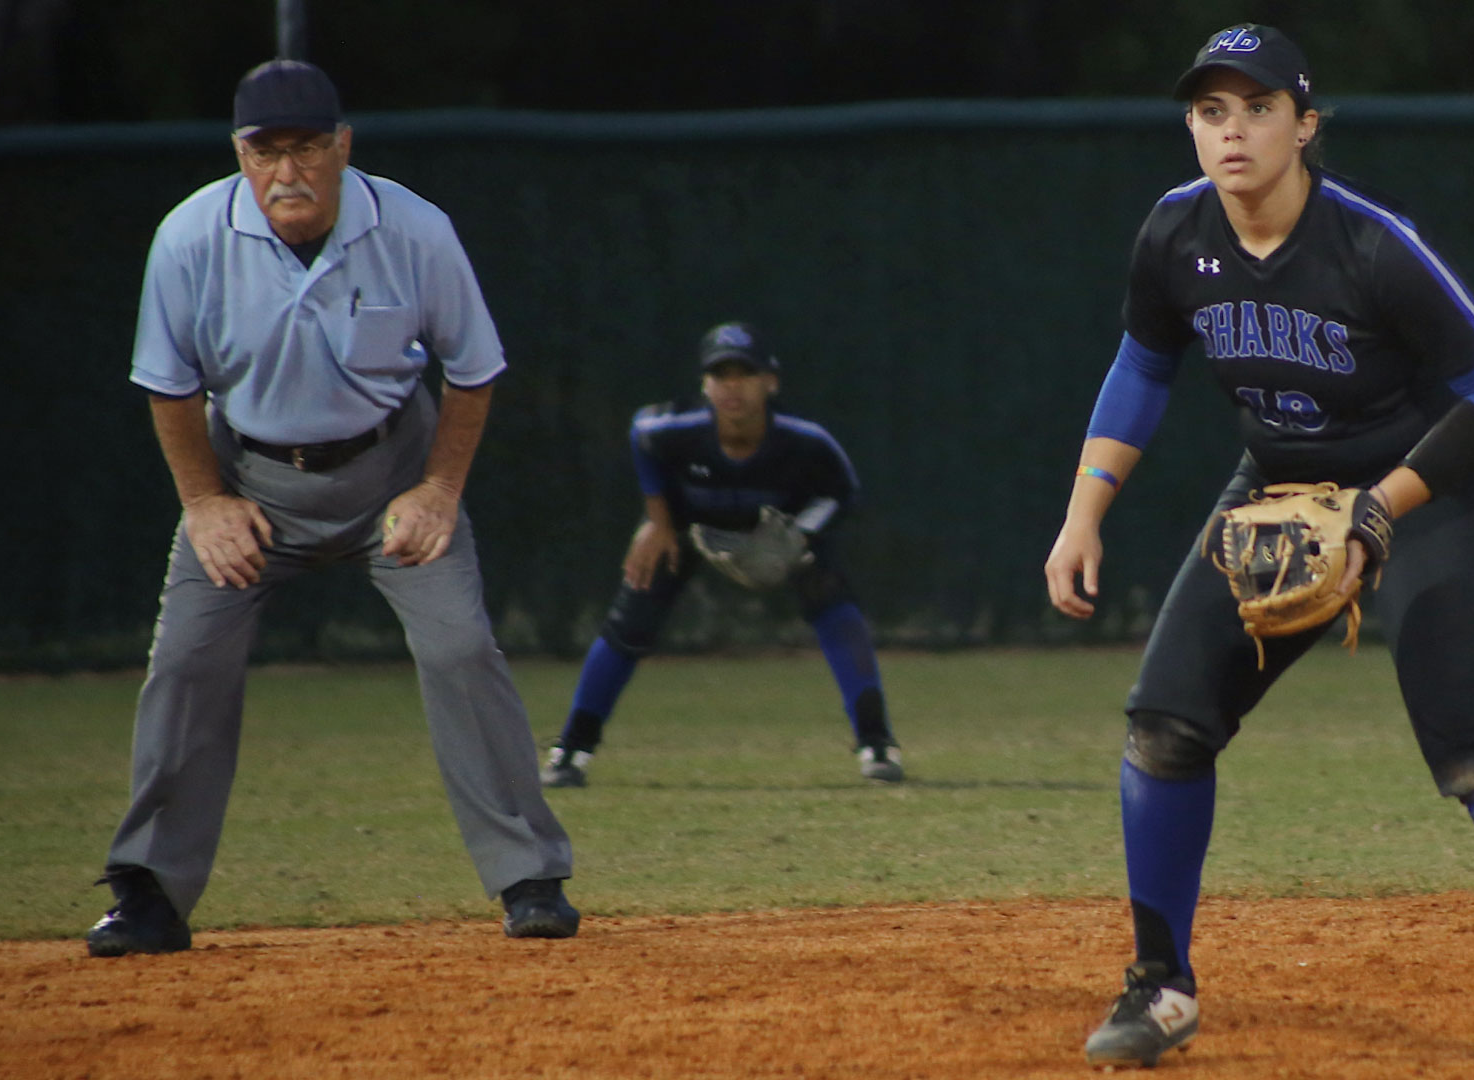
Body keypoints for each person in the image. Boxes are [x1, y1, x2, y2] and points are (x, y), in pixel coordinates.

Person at [1043, 24, 1474, 1069]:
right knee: (1164, 727)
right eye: (1210, 111)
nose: (1232, 131)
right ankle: (1159, 987)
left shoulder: (1373, 244)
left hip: (1424, 492)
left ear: (1305, 124)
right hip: (1276, 488)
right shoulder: (1173, 233)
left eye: (1257, 109)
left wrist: (1381, 509)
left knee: (1473, 745)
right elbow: (1143, 366)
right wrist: (1083, 514)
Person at [86, 59, 578, 956]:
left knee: (461, 646)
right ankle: (148, 891)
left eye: (308, 146)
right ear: (239, 154)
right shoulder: (191, 238)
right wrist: (203, 502)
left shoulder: (414, 229)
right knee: (188, 663)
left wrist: (437, 489)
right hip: (247, 480)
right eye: (267, 149)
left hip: (392, 471)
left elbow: (472, 371)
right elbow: (168, 385)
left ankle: (529, 877)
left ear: (343, 147)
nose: (289, 170)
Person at [539, 322, 902, 787]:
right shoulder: (675, 429)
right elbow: (641, 435)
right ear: (704, 384)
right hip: (692, 527)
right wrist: (658, 521)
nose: (732, 386)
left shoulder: (804, 440)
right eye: (719, 374)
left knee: (832, 599)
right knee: (631, 616)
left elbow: (843, 491)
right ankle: (571, 750)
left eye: (744, 373)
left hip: (779, 529)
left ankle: (877, 744)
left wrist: (800, 537)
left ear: (771, 380)